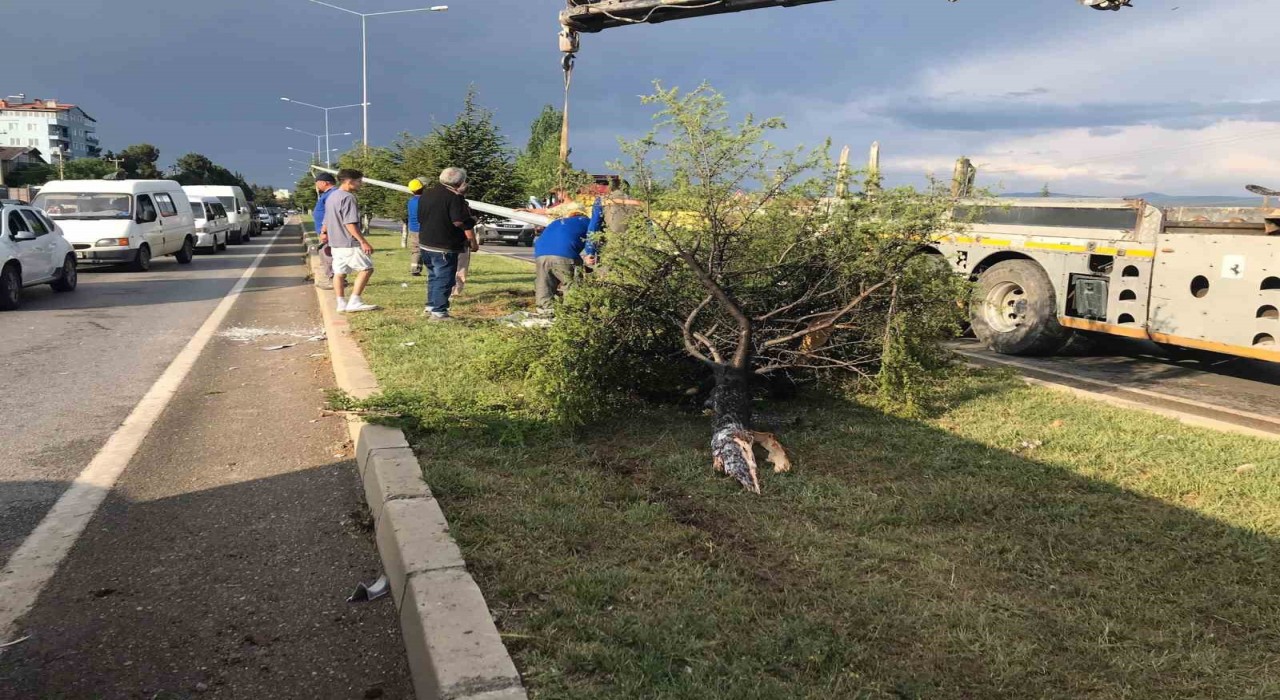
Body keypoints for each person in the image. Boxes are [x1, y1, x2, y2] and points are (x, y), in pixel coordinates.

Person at [417, 167, 478, 320]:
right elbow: (458, 221)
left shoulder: (427, 193)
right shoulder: (454, 197)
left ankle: (431, 306)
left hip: (425, 243)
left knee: (433, 276)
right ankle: (439, 312)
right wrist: (473, 220)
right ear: (460, 182)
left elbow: (420, 217)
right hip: (444, 245)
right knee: (444, 278)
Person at [533, 198, 602, 315]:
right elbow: (592, 237)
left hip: (541, 255)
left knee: (544, 285)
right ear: (584, 213)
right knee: (572, 285)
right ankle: (573, 314)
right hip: (565, 256)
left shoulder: (556, 223)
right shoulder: (586, 222)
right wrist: (590, 254)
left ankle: (545, 312)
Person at [323, 169, 379, 313]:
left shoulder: (331, 196)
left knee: (339, 273)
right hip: (348, 243)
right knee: (366, 269)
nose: (360, 184)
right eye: (359, 181)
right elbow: (350, 223)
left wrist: (324, 233)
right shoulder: (348, 198)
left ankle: (341, 303)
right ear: (349, 181)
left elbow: (327, 219)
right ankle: (355, 301)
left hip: (335, 243)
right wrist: (363, 241)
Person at [313, 173, 338, 289]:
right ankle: (333, 278)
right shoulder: (327, 194)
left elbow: (330, 214)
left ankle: (334, 280)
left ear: (324, 182)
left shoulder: (332, 194)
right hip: (326, 231)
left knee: (328, 255)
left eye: (317, 183)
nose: (316, 186)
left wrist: (325, 232)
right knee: (325, 254)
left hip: (329, 232)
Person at [407, 177, 425, 276]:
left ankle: (415, 269)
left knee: (416, 249)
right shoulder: (424, 201)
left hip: (413, 229)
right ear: (422, 188)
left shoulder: (411, 201)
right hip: (423, 228)